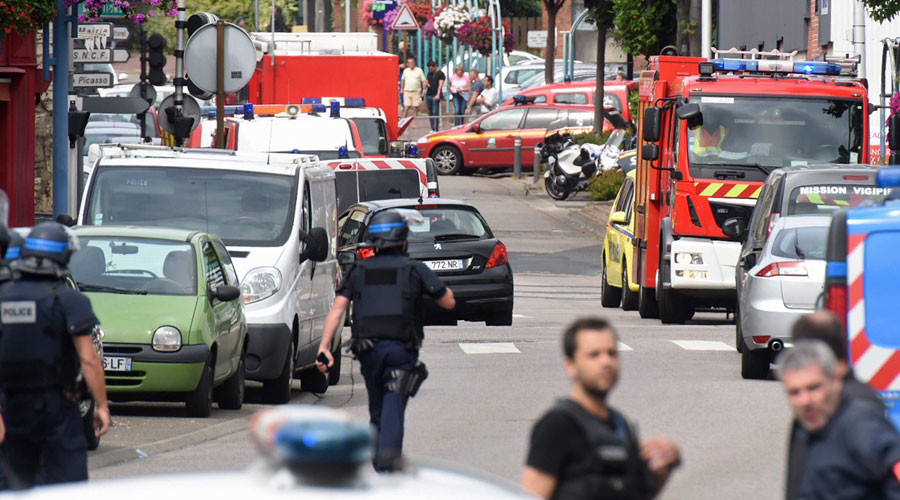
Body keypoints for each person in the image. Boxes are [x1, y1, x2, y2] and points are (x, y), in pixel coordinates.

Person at [316, 210, 455, 471]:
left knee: (377, 406)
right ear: (403, 241)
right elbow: (448, 301)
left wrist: (325, 347)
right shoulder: (415, 269)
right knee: (394, 402)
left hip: (368, 351)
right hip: (401, 350)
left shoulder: (358, 270)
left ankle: (379, 459)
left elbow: (338, 309)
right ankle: (387, 463)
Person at [0, 222, 111, 489]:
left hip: (10, 406)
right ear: (64, 256)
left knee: (14, 481)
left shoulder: (4, 297)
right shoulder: (70, 300)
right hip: (57, 408)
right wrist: (102, 405)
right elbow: (89, 359)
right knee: (66, 484)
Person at [522, 317, 681, 499]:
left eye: (612, 353)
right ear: (571, 365)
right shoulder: (557, 427)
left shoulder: (621, 425)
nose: (606, 362)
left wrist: (664, 466)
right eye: (594, 355)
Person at [779, 340, 900, 499]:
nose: (805, 401)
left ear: (836, 380)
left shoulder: (860, 425)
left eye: (813, 388)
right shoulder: (809, 431)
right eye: (795, 393)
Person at [425, 61, 446, 133]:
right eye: (429, 68)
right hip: (429, 94)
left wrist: (438, 94)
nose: (430, 70)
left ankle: (436, 128)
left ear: (435, 66)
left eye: (431, 68)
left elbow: (440, 85)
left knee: (435, 112)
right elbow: (427, 81)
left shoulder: (441, 74)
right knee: (430, 112)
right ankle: (432, 127)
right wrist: (426, 84)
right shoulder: (430, 73)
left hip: (435, 94)